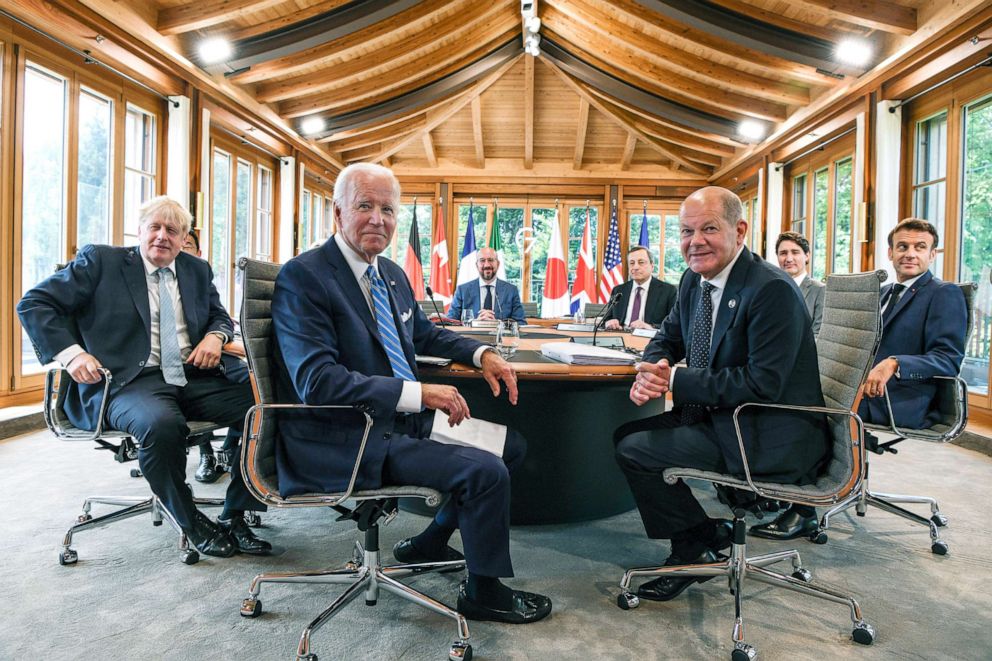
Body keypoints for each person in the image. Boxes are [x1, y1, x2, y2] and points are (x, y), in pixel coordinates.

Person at [271, 163, 551, 624]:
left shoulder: (392, 275)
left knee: (511, 448)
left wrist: (482, 354)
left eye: (388, 209)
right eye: (365, 206)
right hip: (347, 435)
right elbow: (317, 381)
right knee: (484, 472)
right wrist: (417, 393)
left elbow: (428, 335)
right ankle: (484, 593)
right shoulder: (305, 276)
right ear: (337, 212)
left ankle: (429, 541)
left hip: (396, 424)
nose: (378, 219)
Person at [17, 196, 270, 558]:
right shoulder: (101, 261)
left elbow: (219, 316)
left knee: (264, 401)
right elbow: (34, 303)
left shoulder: (196, 270)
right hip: (127, 381)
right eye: (155, 227)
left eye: (173, 230)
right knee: (160, 423)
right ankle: (189, 518)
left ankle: (236, 513)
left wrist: (216, 337)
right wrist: (72, 355)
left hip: (190, 375)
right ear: (140, 231)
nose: (162, 236)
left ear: (185, 239)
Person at [613, 186, 829, 602]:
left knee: (639, 450)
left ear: (740, 230)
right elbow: (667, 336)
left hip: (767, 430)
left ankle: (693, 549)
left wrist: (674, 381)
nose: (695, 242)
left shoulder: (771, 290)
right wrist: (655, 366)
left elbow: (761, 383)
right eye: (686, 231)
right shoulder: (695, 280)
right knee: (625, 437)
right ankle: (705, 535)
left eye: (708, 229)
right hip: (721, 414)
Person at [751, 218, 968, 540]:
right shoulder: (880, 293)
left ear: (932, 254)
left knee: (812, 411)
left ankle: (804, 509)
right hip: (861, 387)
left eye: (919, 247)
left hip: (904, 397)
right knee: (782, 393)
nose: (910, 254)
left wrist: (894, 363)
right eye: (903, 247)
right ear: (891, 252)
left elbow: (949, 359)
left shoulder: (943, 294)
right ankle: (775, 484)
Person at [180, 230, 239, 483]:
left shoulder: (199, 276)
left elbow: (220, 317)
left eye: (188, 245)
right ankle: (206, 454)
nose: (181, 248)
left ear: (199, 253)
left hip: (216, 356)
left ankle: (233, 448)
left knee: (258, 386)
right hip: (177, 370)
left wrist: (216, 335)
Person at [603, 245, 678, 330]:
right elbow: (606, 319)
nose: (635, 267)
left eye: (641, 262)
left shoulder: (668, 291)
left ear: (652, 266)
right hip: (620, 337)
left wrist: (650, 327)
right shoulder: (618, 290)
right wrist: (609, 322)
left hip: (650, 339)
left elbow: (674, 324)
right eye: (631, 263)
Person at [447, 247, 526, 323]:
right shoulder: (462, 290)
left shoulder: (511, 291)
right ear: (476, 265)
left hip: (500, 336)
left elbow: (521, 322)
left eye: (491, 260)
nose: (487, 265)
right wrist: (474, 323)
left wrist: (498, 324)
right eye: (482, 260)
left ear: (498, 264)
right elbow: (451, 322)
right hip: (470, 336)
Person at [775, 231, 825, 337]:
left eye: (795, 252)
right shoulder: (771, 290)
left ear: (807, 256)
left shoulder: (820, 290)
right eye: (783, 253)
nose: (788, 259)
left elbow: (819, 335)